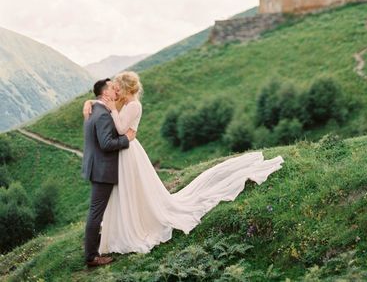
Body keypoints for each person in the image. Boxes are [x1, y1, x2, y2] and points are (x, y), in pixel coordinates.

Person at [83, 71, 284, 255]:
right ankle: (126, 224)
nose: (115, 91)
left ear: (126, 89)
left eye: (118, 87)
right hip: (124, 150)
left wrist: (112, 110)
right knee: (129, 191)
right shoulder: (121, 103)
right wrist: (92, 102)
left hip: (128, 150)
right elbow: (106, 107)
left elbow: (119, 130)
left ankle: (137, 224)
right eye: (113, 88)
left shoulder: (133, 105)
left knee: (135, 190)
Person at [82, 78, 135, 267]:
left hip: (94, 166)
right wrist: (126, 139)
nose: (116, 90)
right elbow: (106, 144)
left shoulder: (94, 109)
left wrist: (88, 101)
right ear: (105, 94)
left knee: (98, 211)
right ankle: (91, 257)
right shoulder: (103, 115)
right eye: (113, 88)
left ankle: (102, 244)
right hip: (102, 169)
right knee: (96, 212)